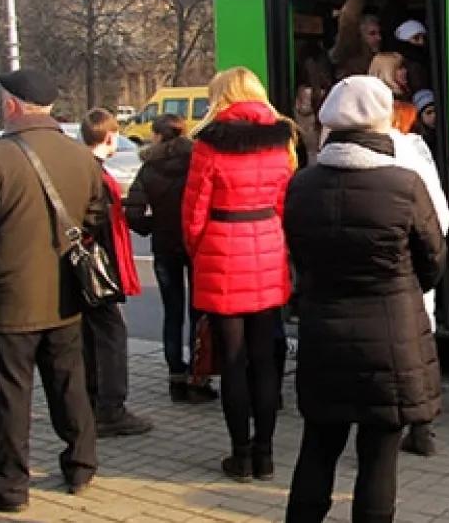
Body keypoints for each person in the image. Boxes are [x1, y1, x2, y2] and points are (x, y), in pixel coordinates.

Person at [283, 75, 447, 523]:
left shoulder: (301, 185)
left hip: (323, 333)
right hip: (390, 338)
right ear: (382, 122)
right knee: (379, 458)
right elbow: (433, 263)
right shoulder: (405, 185)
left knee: (317, 447)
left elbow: (298, 258)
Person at [0, 68, 104, 512]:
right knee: (69, 383)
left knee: (10, 397)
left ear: (12, 106)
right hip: (66, 296)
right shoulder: (79, 156)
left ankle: (9, 487)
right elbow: (96, 216)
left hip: (7, 299)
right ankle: (80, 466)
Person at [182, 67, 296, 482]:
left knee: (232, 362)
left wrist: (200, 252)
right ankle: (265, 455)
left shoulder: (208, 143)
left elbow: (194, 212)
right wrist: (275, 242)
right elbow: (285, 201)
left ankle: (240, 455)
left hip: (221, 245)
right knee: (264, 361)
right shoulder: (281, 139)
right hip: (266, 246)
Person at [124, 113, 218, 403]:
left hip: (164, 246)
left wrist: (153, 226)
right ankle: (198, 376)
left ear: (158, 135)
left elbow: (134, 211)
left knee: (172, 313)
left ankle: (175, 377)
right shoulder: (196, 163)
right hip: (195, 244)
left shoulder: (149, 168)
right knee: (199, 312)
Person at [79, 108, 154, 438]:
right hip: (100, 268)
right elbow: (98, 223)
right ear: (109, 137)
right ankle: (110, 408)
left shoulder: (81, 168)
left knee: (93, 336)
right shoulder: (95, 174)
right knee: (111, 335)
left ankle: (94, 402)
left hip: (89, 267)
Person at [390, 122, 449, 457]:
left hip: (388, 282)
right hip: (414, 276)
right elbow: (438, 221)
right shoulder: (417, 156)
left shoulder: (364, 160)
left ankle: (398, 430)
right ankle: (422, 427)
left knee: (393, 357)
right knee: (420, 352)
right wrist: (427, 275)